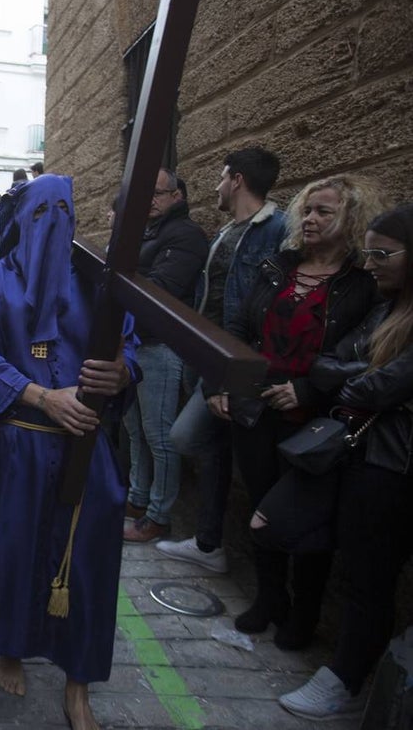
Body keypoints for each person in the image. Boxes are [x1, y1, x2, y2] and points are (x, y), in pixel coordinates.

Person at [0, 174, 138, 728]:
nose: (53, 221)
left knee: (89, 564)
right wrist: (41, 396)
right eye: (39, 212)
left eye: (64, 210)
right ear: (18, 220)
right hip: (16, 445)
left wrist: (121, 372)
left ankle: (78, 683)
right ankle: (8, 645)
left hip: (86, 447)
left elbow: (129, 345)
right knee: (11, 551)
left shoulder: (98, 283)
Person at [204, 175, 383, 649]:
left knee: (305, 518)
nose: (310, 219)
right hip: (256, 407)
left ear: (351, 219)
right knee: (261, 506)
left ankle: (304, 614)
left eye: (324, 211)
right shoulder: (277, 266)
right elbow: (240, 326)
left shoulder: (363, 284)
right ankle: (269, 599)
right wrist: (223, 384)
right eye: (307, 209)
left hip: (316, 419)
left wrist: (305, 390)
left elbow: (363, 356)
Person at [274, 205, 413, 720]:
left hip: (394, 466)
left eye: (383, 254)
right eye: (368, 252)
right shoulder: (387, 308)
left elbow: (375, 387)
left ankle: (347, 680)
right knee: (347, 565)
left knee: (369, 579)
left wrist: (354, 379)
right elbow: (326, 363)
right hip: (363, 452)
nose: (370, 263)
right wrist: (357, 377)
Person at [157, 147, 289, 573]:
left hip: (234, 367)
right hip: (206, 358)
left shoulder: (277, 229)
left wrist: (228, 381)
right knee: (210, 446)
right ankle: (209, 543)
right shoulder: (227, 232)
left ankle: (258, 566)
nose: (215, 186)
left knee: (188, 437)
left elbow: (265, 310)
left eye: (221, 177)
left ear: (237, 180)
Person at [122, 168, 208, 543]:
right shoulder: (149, 231)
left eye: (157, 193)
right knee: (135, 430)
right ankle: (137, 500)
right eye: (146, 193)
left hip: (161, 345)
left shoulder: (185, 234)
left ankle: (159, 516)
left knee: (159, 435)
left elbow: (162, 289)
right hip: (135, 342)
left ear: (177, 195)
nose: (150, 200)